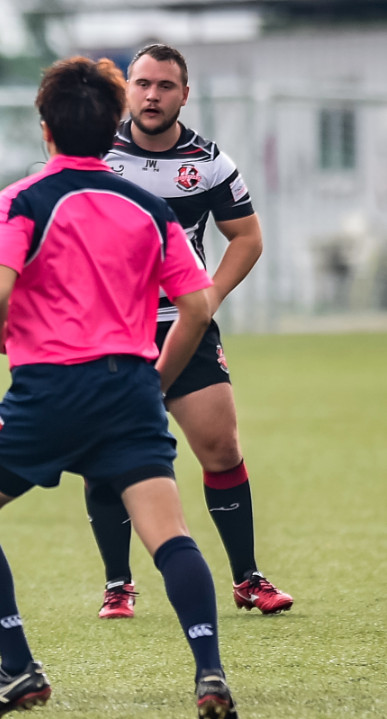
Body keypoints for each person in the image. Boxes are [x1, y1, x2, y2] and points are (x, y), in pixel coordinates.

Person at [0, 56, 242, 719]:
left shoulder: (19, 200)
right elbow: (195, 307)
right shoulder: (149, 206)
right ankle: (209, 671)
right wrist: (155, 381)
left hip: (47, 391)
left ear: (45, 128)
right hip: (129, 390)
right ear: (112, 130)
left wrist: (4, 335)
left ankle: (18, 665)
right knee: (170, 535)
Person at [91, 43, 292, 619]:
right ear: (127, 90)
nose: (152, 96)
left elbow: (246, 237)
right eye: (142, 84)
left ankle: (247, 579)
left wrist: (209, 296)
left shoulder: (208, 162)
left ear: (184, 94)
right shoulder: (98, 155)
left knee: (221, 448)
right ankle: (117, 584)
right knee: (107, 451)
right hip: (110, 330)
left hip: (184, 325)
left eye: (165, 86)